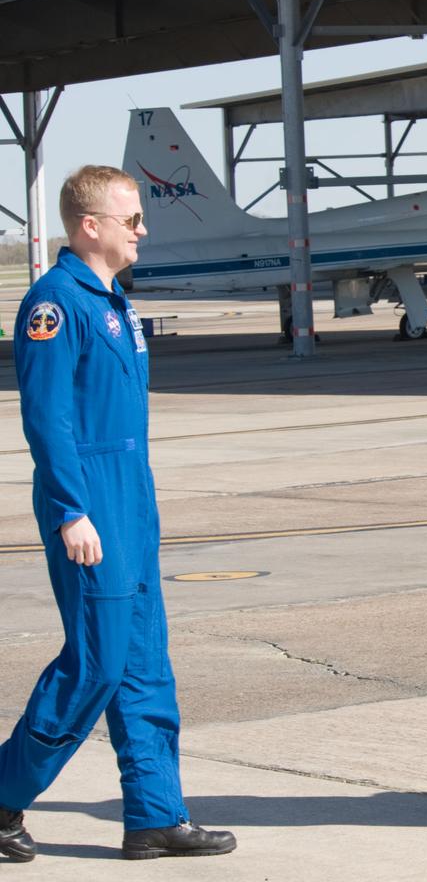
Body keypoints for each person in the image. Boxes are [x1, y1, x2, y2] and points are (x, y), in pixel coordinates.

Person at [0, 166, 236, 861]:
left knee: (143, 663)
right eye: (131, 218)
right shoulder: (55, 303)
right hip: (90, 501)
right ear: (89, 225)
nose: (142, 229)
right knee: (97, 662)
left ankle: (156, 815)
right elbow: (47, 418)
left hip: (132, 499)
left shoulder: (114, 302)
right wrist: (73, 508)